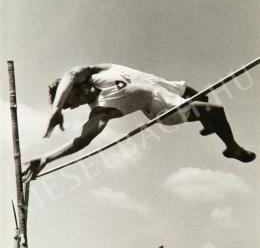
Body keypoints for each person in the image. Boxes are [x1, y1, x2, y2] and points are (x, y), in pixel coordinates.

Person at [22, 63, 256, 181]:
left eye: (67, 102)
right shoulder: (100, 110)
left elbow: (72, 73)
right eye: (65, 108)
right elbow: (83, 139)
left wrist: (56, 109)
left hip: (165, 85)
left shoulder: (98, 71)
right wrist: (47, 158)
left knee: (203, 98)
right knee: (215, 111)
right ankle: (232, 148)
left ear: (71, 90)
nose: (69, 107)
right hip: (162, 106)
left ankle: (207, 125)